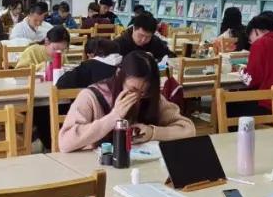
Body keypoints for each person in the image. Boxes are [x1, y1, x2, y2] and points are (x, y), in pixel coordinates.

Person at [58, 51, 194, 152]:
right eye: (132, 90)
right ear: (119, 75)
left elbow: (189, 130)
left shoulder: (151, 97)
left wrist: (152, 133)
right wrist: (114, 117)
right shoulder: (91, 97)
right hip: (96, 169)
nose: (138, 97)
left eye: (144, 92)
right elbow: (65, 143)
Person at [56, 38, 122, 89]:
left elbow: (61, 83)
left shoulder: (89, 66)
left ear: (90, 55)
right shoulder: (125, 63)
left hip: (96, 102)